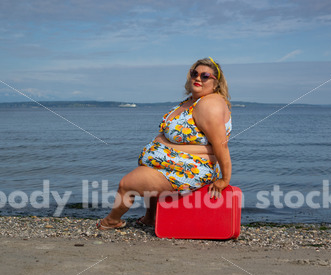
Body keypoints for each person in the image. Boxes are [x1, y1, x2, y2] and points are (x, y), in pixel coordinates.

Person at [97, 57, 232, 230]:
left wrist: (224, 179)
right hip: (173, 165)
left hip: (190, 170)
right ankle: (150, 218)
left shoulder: (209, 104)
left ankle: (111, 221)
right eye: (194, 73)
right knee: (146, 174)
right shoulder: (192, 101)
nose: (198, 78)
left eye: (205, 76)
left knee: (127, 185)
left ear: (216, 83)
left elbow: (221, 144)